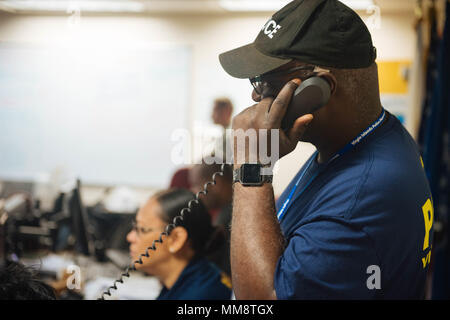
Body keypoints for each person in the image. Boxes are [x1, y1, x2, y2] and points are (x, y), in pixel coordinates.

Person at [219, 0, 433, 299]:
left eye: (266, 80)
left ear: (318, 89)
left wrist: (252, 165)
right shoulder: (371, 139)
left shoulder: (362, 197)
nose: (256, 94)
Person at [126, 188, 232, 300]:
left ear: (176, 239)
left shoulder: (202, 296)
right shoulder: (188, 282)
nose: (130, 237)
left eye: (142, 229)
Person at [188, 157, 233, 276]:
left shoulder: (227, 220)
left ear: (216, 182)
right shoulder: (231, 211)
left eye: (196, 184)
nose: (193, 192)